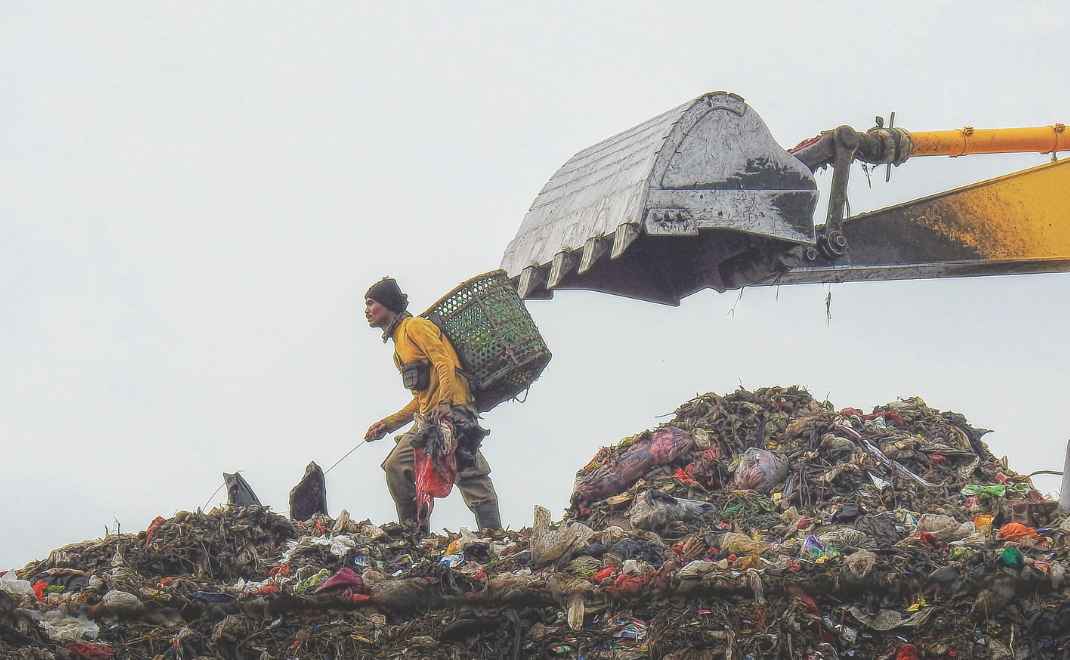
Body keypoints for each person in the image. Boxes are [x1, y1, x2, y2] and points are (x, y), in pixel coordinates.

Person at [362, 277, 501, 531]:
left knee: (469, 473)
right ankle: (414, 535)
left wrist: (446, 403)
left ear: (387, 304)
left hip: (453, 411)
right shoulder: (398, 348)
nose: (367, 310)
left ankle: (493, 535)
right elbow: (420, 398)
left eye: (371, 303)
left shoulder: (414, 327)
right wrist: (388, 424)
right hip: (428, 419)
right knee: (397, 466)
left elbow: (444, 362)